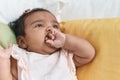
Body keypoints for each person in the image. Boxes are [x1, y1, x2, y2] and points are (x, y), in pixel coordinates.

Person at [0, 8, 95, 80]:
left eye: (55, 26)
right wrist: (3, 60)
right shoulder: (21, 58)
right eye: (39, 25)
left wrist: (66, 41)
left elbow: (88, 53)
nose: (50, 29)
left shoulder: (64, 55)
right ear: (22, 42)